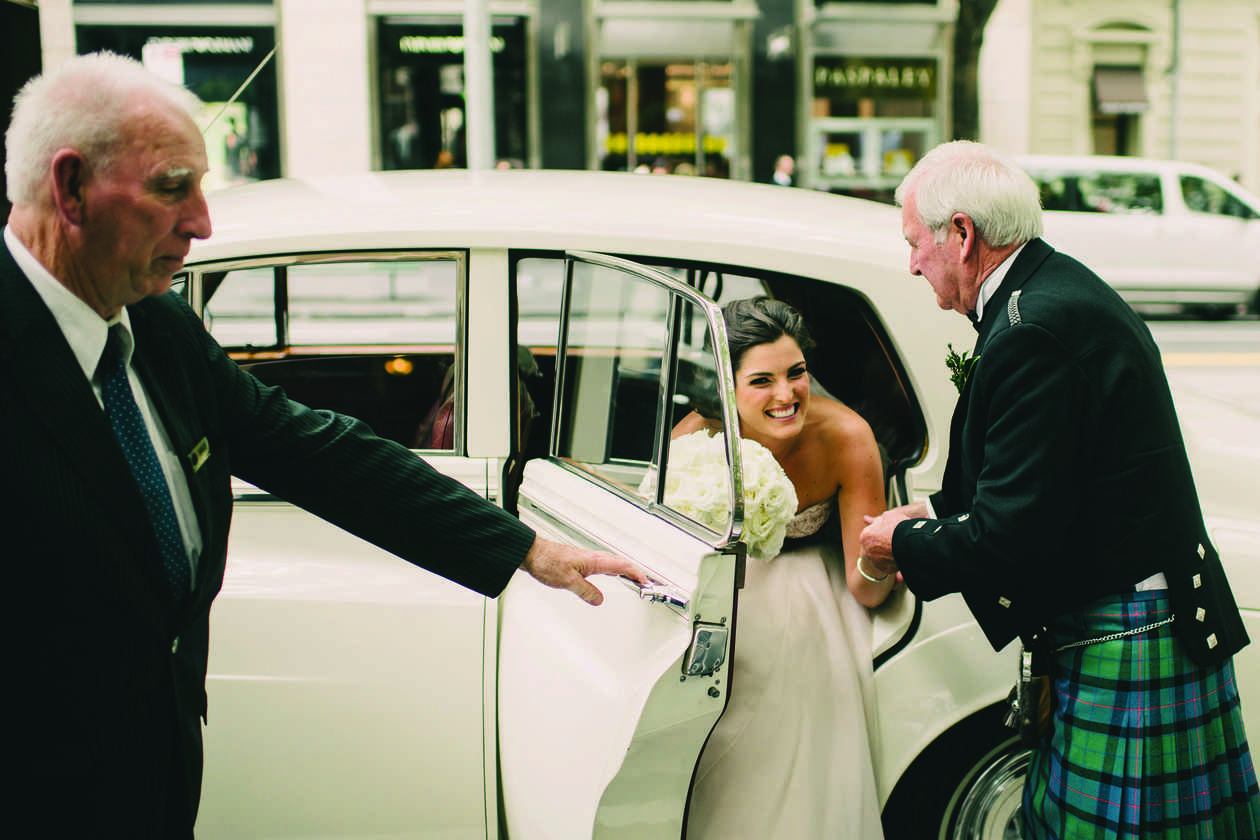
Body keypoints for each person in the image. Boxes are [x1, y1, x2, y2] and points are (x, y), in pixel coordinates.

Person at [1, 51, 644, 837]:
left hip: (161, 774)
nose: (203, 221)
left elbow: (311, 449)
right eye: (173, 188)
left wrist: (523, 548)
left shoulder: (158, 329)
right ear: (69, 189)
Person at [859, 140, 1260, 838]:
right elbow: (1051, 478)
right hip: (1138, 613)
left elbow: (1013, 532)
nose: (913, 262)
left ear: (962, 234)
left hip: (1132, 627)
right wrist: (936, 511)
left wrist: (906, 539)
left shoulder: (1033, 327)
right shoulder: (1048, 292)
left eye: (916, 243)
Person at [676, 296, 892, 839]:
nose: (786, 395)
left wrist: (886, 557)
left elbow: (864, 588)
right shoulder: (694, 440)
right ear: (726, 385)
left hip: (811, 589)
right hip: (723, 590)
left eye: (797, 374)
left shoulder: (846, 436)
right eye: (762, 381)